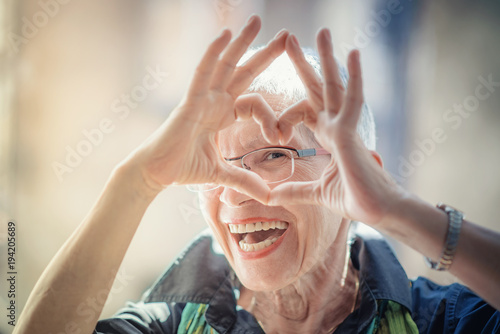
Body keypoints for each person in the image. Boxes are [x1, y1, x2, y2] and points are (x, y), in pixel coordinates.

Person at [14, 15, 500, 334]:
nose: (234, 196)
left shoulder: (442, 321)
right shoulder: (170, 325)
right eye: (217, 167)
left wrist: (396, 210)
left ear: (359, 178)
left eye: (273, 155)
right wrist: (137, 182)